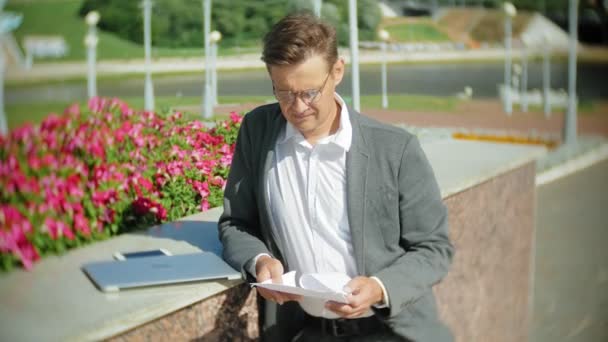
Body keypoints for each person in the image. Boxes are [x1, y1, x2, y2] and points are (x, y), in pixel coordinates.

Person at [218, 12, 454, 341]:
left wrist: (379, 287)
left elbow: (434, 248)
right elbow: (236, 222)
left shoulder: (396, 148)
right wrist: (259, 259)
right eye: (283, 93)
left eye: (310, 92)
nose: (297, 107)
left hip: (390, 331)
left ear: (338, 71)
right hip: (304, 331)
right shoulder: (257, 131)